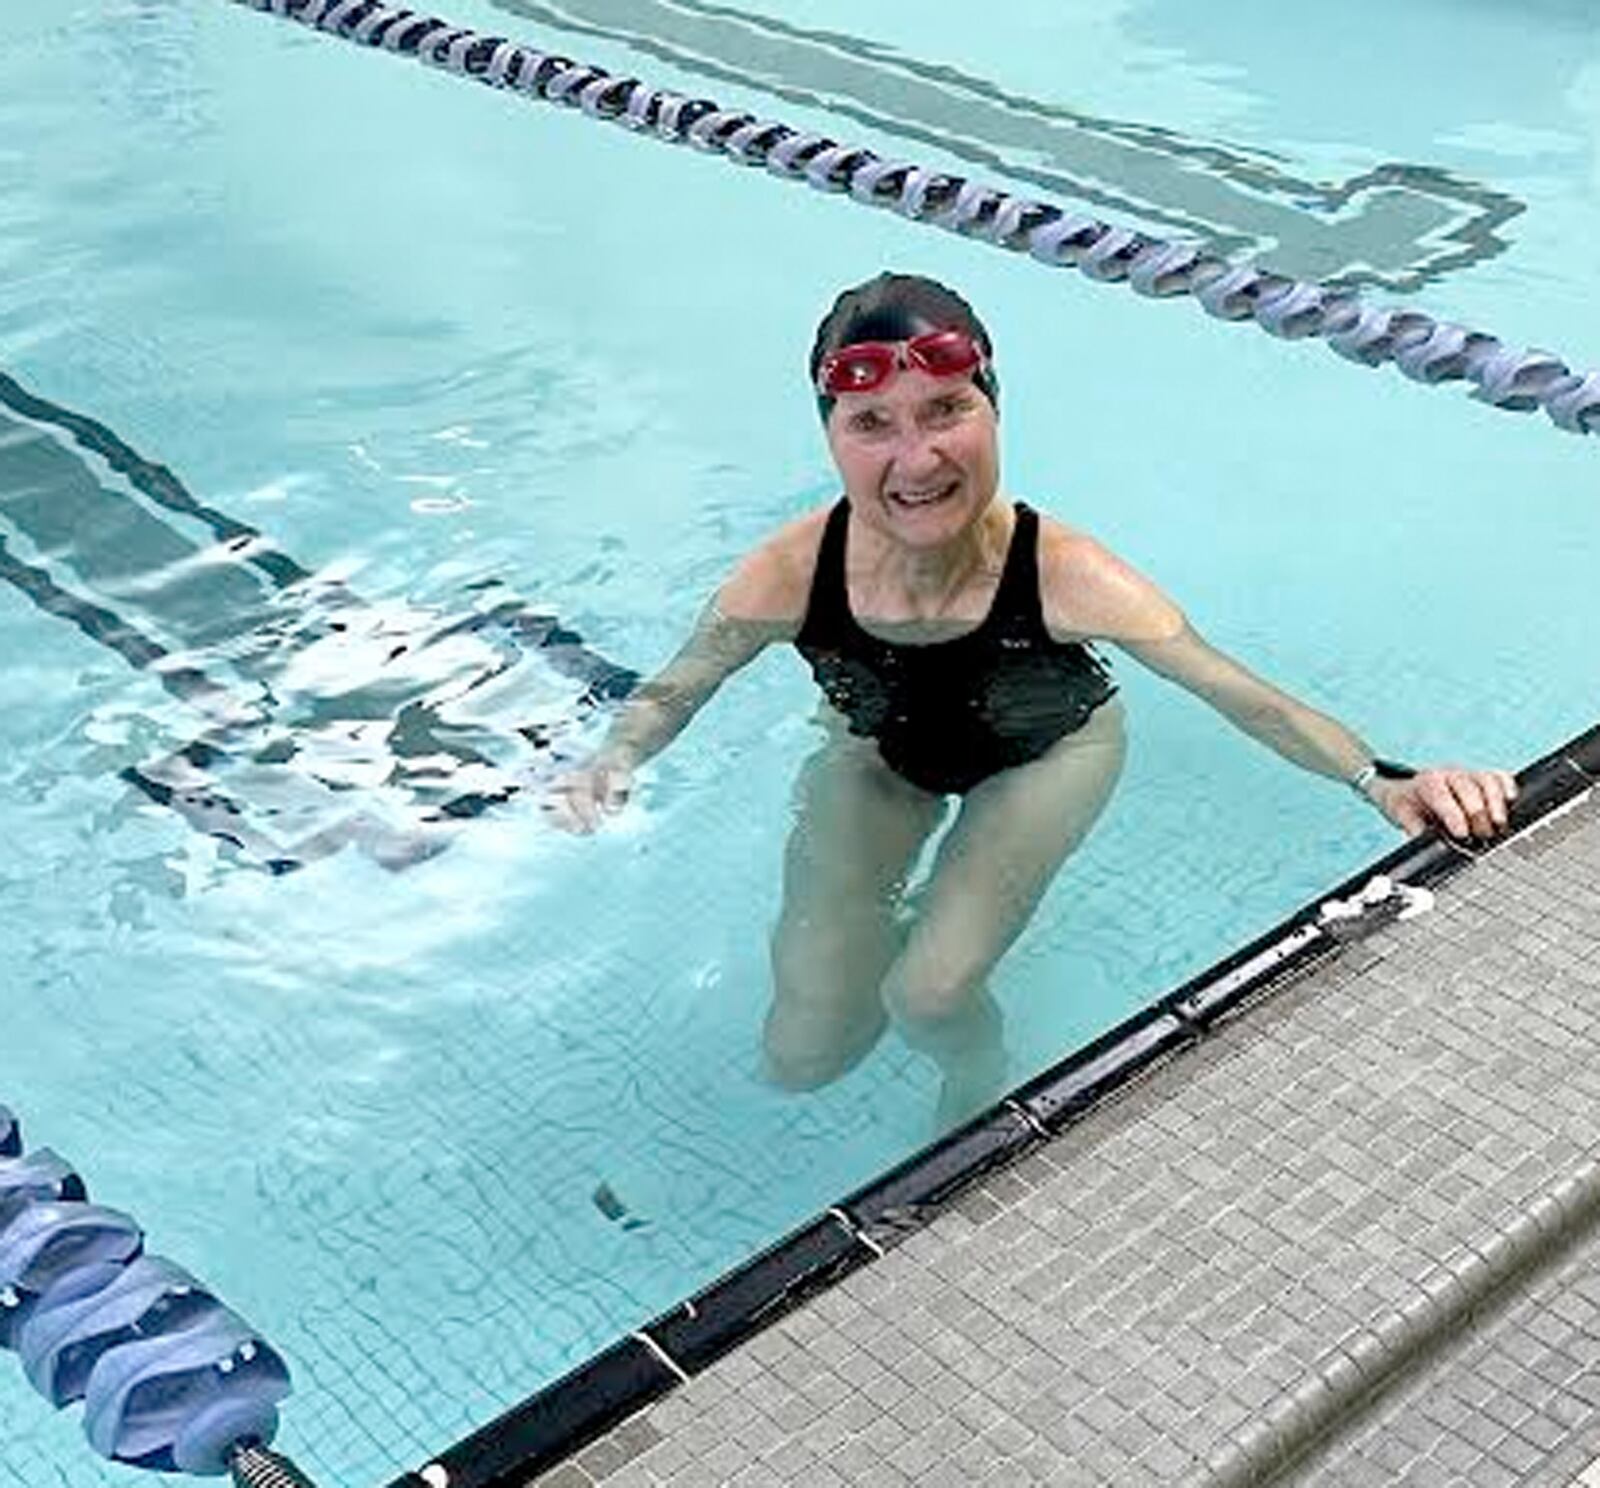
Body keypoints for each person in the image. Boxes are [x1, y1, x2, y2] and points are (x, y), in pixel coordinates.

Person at [547, 272, 1516, 1125]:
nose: (915, 459)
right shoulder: (789, 574)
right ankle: (885, 936)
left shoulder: (1064, 573)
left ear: (993, 412)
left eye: (945, 411)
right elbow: (679, 686)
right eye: (871, 424)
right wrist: (612, 759)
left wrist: (1384, 782)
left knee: (927, 995)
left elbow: (1241, 695)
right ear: (832, 438)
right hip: (875, 759)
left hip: (1044, 756)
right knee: (805, 1054)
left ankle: (978, 1059)